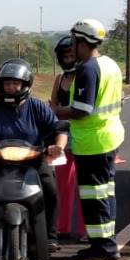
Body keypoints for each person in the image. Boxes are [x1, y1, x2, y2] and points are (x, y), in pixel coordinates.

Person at [0, 59, 66, 260]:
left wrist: (57, 146)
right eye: (7, 83)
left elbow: (59, 130)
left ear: (25, 84)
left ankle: (49, 237)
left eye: (15, 84)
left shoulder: (37, 106)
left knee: (50, 188)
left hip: (32, 162)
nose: (11, 87)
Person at [62, 18, 124, 260]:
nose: (71, 47)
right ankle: (105, 242)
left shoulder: (88, 68)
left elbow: (81, 109)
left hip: (93, 142)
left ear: (83, 43)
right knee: (105, 194)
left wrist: (56, 110)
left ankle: (104, 248)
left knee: (93, 197)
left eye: (74, 42)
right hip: (109, 136)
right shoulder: (110, 64)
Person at [47, 35, 87, 244]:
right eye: (65, 55)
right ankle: (61, 228)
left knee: (84, 185)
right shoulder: (59, 79)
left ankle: (85, 230)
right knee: (62, 184)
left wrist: (60, 111)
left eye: (71, 54)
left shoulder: (86, 75)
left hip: (84, 135)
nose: (69, 58)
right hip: (63, 135)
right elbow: (52, 106)